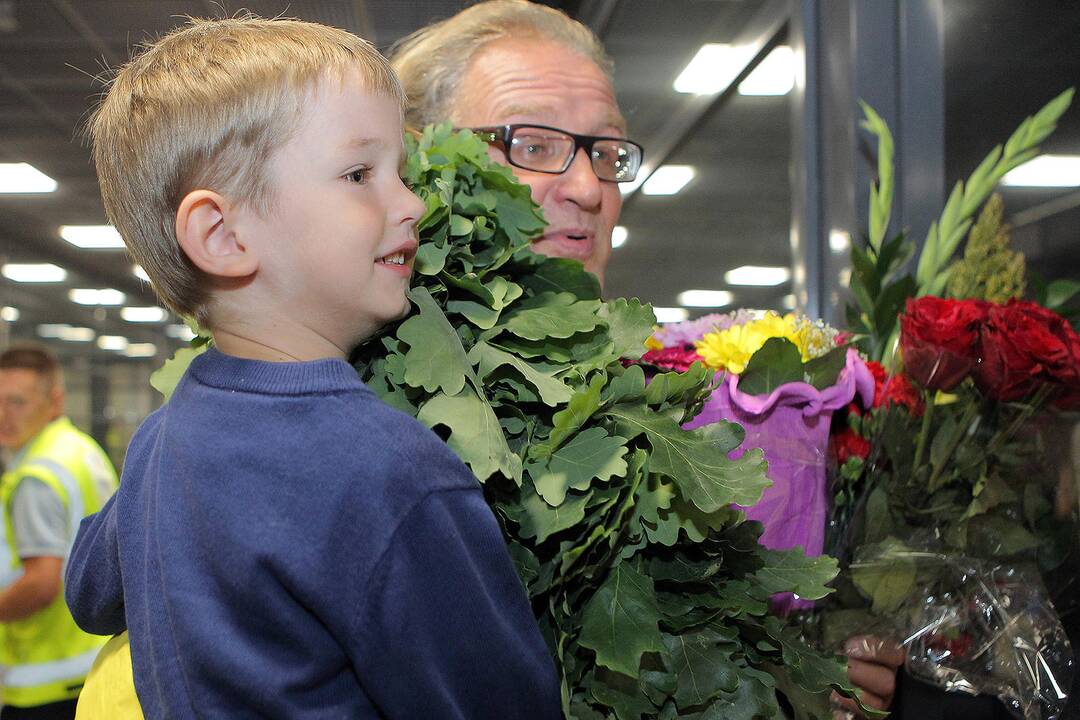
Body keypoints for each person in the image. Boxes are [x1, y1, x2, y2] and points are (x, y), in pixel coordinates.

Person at [390, 2, 904, 716]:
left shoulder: (677, 401)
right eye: (532, 145)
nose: (587, 189)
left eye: (605, 153)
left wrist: (806, 661)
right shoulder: (367, 416)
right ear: (419, 159)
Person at [63, 16, 560, 719]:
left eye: (401, 173)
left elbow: (89, 591)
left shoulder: (161, 441)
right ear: (224, 235)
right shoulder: (390, 469)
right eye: (360, 174)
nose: (411, 204)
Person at [0, 346, 118, 720]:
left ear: (55, 401)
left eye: (17, 402)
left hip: (44, 677)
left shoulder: (37, 475)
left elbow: (41, 582)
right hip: (93, 663)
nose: (3, 415)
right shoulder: (82, 450)